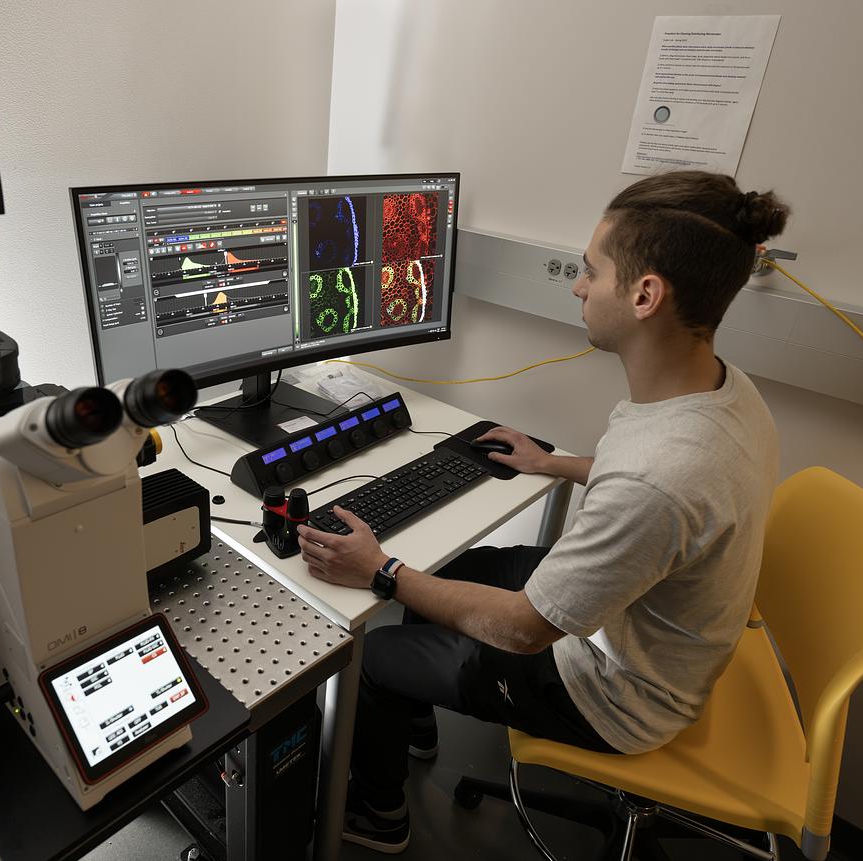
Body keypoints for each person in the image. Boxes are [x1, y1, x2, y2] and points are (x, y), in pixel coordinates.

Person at [296, 170, 790, 854]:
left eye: (592, 271)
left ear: (646, 294)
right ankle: (414, 722)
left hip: (616, 694)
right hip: (663, 626)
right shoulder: (724, 393)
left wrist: (381, 569)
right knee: (461, 566)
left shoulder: (662, 475)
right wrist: (555, 462)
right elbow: (658, 491)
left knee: (372, 650)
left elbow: (526, 630)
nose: (579, 286)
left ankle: (380, 814)